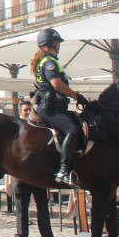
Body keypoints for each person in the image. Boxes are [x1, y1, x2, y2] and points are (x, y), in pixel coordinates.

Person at [32, 27, 88, 185]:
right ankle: (63, 171)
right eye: (57, 42)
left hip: (54, 106)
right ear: (51, 44)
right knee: (72, 130)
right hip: (49, 108)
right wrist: (76, 96)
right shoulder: (49, 62)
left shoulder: (47, 61)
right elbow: (56, 84)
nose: (59, 45)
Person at [12, 99, 61, 237]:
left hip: (38, 174)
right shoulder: (15, 130)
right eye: (24, 110)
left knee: (42, 207)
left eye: (29, 109)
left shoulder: (39, 128)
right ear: (20, 112)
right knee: (21, 208)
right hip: (20, 174)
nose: (27, 112)